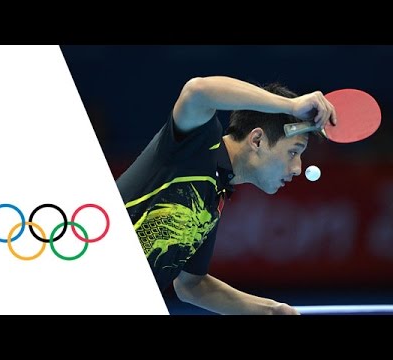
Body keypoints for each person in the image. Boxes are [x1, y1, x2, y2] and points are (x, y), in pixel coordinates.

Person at [116, 76, 336, 315]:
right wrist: (290, 106)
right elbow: (197, 90)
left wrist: (272, 310)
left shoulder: (215, 198)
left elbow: (191, 285)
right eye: (293, 152)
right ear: (257, 140)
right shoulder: (196, 145)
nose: (297, 168)